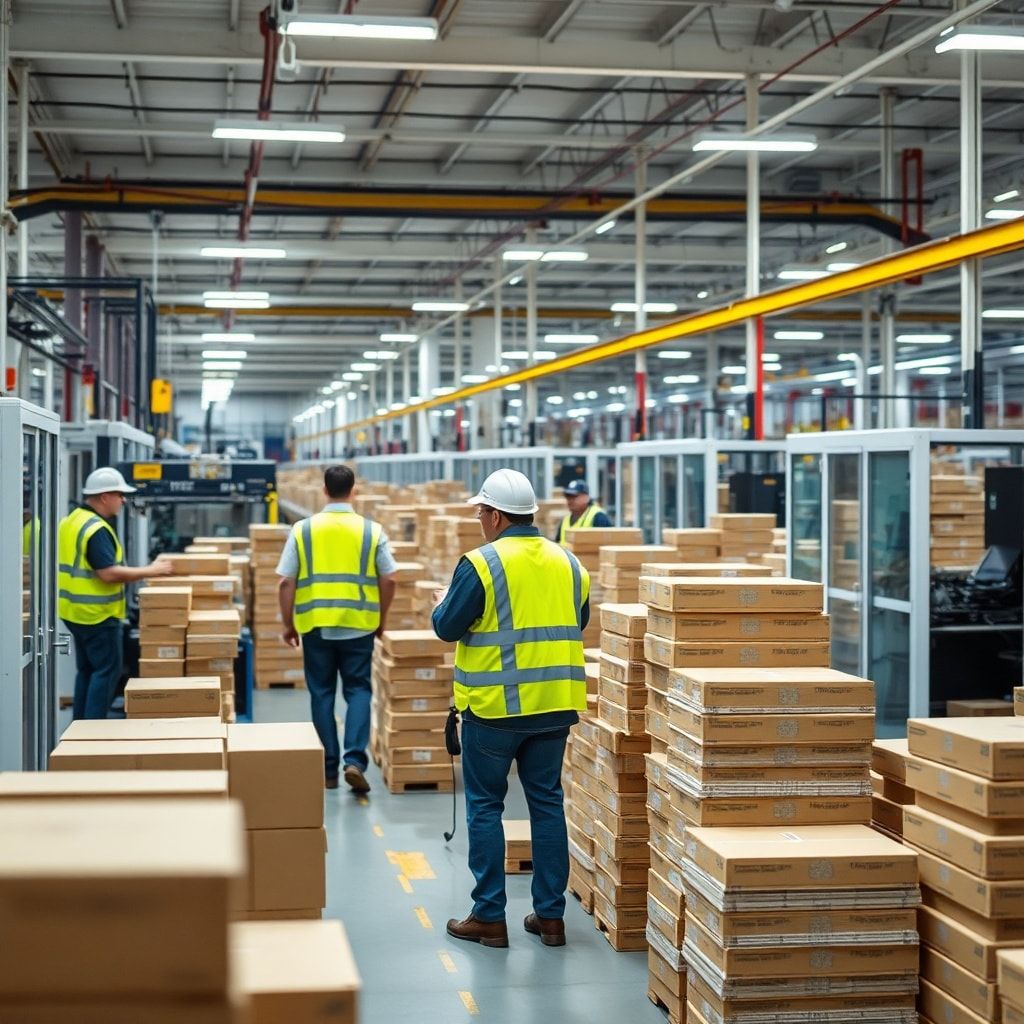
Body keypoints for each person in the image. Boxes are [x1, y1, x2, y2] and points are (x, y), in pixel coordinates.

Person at [433, 468, 589, 949]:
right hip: (554, 707)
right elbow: (577, 620)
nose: (480, 520)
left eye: (481, 512)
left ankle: (489, 917)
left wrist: (442, 604)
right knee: (546, 804)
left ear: (497, 516)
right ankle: (551, 918)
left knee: (485, 806)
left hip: (495, 710)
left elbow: (448, 627)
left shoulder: (481, 564)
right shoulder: (569, 563)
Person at [277, 465, 397, 794]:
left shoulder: (303, 531)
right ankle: (354, 761)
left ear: (324, 491)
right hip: (359, 625)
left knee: (322, 693)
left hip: (315, 627)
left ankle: (329, 769)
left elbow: (286, 582)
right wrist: (381, 618)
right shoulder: (372, 532)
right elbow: (390, 579)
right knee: (358, 690)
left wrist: (288, 624)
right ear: (353, 490)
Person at [59, 467, 173, 720]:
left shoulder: (72, 519)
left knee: (87, 670)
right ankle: (94, 731)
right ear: (104, 497)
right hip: (97, 614)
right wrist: (151, 571)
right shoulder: (96, 529)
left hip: (74, 612)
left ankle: (80, 727)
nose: (123, 500)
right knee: (107, 672)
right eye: (119, 495)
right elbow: (108, 573)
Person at [555, 479, 611, 544]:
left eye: (574, 497)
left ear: (586, 498)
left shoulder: (598, 516)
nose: (570, 501)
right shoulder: (565, 520)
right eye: (568, 497)